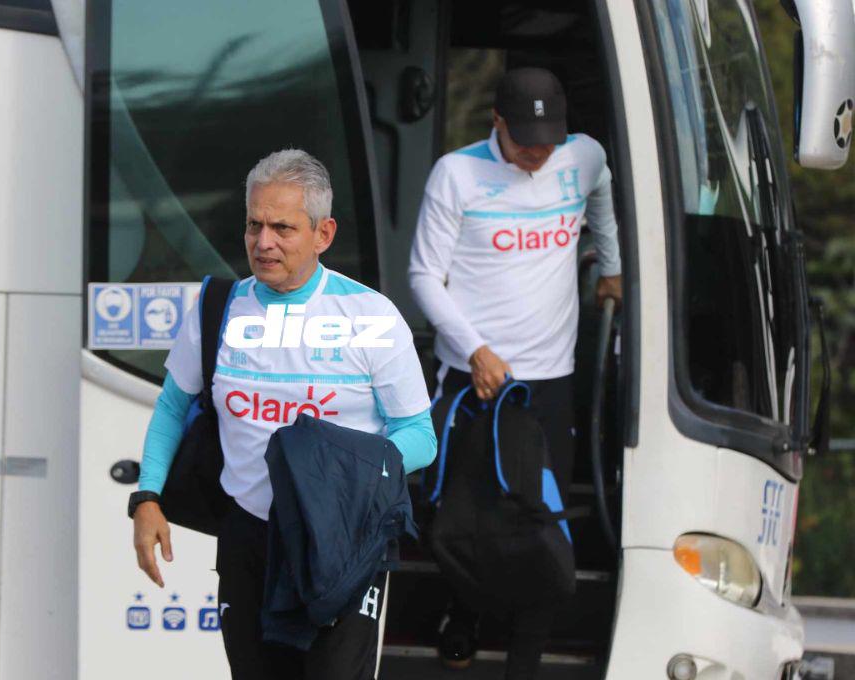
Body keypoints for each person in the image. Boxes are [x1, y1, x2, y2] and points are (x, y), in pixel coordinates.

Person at [130, 149, 437, 680]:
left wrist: (345, 469)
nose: (263, 242)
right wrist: (148, 496)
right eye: (254, 224)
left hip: (341, 542)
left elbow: (419, 436)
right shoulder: (217, 307)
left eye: (282, 228)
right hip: (249, 538)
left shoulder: (370, 315)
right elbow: (171, 406)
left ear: (323, 234)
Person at [408, 68, 622, 678]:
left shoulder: (582, 157)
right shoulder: (457, 174)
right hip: (476, 378)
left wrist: (611, 264)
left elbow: (602, 194)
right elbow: (424, 276)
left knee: (541, 525)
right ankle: (463, 615)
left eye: (548, 139)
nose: (538, 152)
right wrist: (474, 349)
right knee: (466, 517)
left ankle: (524, 660)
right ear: (496, 122)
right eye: (525, 138)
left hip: (550, 380)